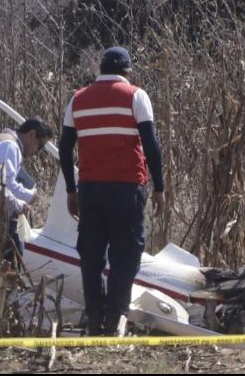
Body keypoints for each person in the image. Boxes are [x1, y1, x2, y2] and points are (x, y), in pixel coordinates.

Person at [59, 46, 165, 336]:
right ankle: (115, 318)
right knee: (126, 255)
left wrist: (71, 189)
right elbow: (151, 145)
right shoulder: (136, 96)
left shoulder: (78, 99)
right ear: (127, 72)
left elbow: (65, 147)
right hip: (127, 188)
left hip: (90, 190)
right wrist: (160, 187)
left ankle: (95, 320)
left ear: (101, 70)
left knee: (91, 256)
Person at [0, 118, 55, 257]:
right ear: (31, 135)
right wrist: (30, 196)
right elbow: (2, 185)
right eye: (40, 146)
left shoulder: (6, 143)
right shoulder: (9, 147)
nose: (37, 152)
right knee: (9, 271)